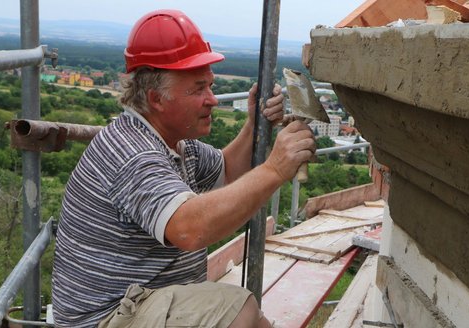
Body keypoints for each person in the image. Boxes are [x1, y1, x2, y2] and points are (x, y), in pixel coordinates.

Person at [51, 9, 315, 328]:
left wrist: (253, 125)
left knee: (248, 317)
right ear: (156, 99)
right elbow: (190, 230)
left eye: (211, 86)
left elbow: (229, 172)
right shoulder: (132, 153)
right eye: (198, 89)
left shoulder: (176, 143)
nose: (212, 100)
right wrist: (275, 169)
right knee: (238, 310)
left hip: (138, 303)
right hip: (103, 320)